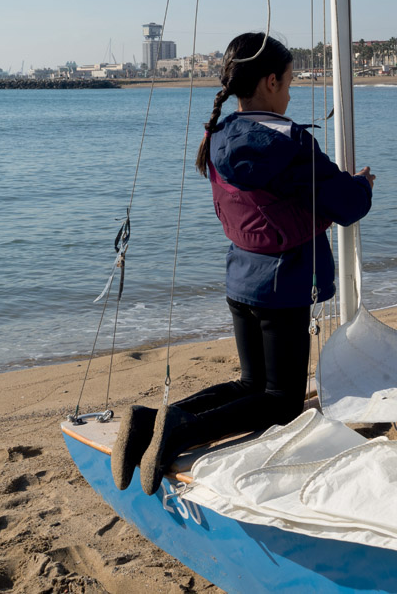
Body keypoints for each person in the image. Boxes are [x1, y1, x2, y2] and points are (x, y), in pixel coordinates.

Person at [111, 32, 375, 495]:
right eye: (290, 82)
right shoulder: (289, 144)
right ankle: (176, 430)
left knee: (253, 383)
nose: (292, 92)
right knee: (281, 403)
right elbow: (346, 205)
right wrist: (363, 185)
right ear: (270, 81)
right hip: (284, 286)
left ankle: (149, 420)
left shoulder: (218, 136)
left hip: (241, 281)